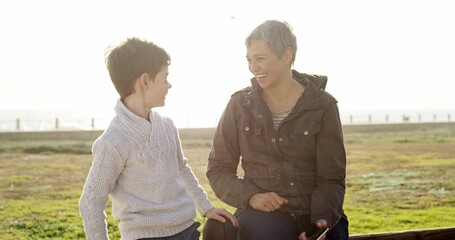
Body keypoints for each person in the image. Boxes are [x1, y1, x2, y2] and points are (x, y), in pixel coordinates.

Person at [79, 37, 238, 240]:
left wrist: (205, 207)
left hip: (187, 231)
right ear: (145, 81)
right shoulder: (113, 141)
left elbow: (182, 169)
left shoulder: (167, 126)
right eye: (165, 78)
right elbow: (91, 202)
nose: (169, 85)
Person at [204, 20, 349, 240]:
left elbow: (331, 179)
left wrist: (321, 221)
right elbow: (218, 170)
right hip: (261, 214)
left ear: (286, 55)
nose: (253, 67)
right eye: (249, 60)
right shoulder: (239, 105)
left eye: (260, 59)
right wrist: (252, 196)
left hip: (316, 211)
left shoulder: (323, 106)